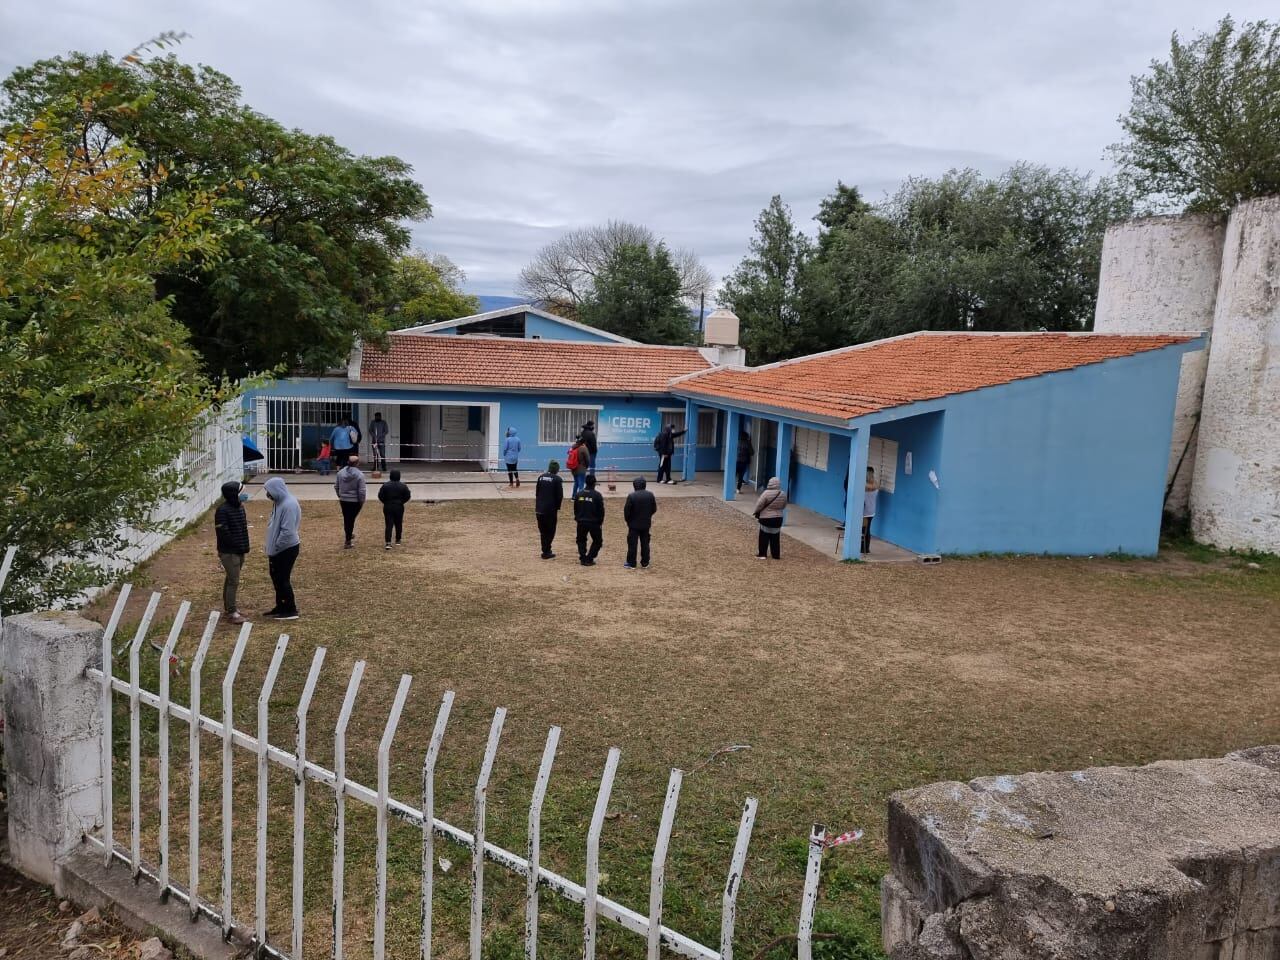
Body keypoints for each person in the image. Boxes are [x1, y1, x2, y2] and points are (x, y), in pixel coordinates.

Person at [263, 477, 301, 620]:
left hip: (285, 549)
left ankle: (290, 609)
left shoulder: (288, 505)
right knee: (276, 578)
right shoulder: (279, 503)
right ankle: (281, 606)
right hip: (277, 549)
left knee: (282, 578)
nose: (268, 495)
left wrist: (277, 546)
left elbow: (287, 531)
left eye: (269, 491)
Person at [213, 481, 250, 624]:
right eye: (241, 493)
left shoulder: (240, 507)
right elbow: (223, 533)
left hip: (240, 550)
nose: (244, 495)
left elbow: (242, 529)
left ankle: (230, 608)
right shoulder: (222, 510)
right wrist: (236, 546)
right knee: (233, 581)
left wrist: (244, 547)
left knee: (230, 579)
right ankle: (232, 612)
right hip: (230, 552)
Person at [623, 476, 657, 568]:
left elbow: (627, 511)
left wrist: (628, 521)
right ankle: (645, 562)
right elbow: (654, 509)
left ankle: (631, 563)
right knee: (645, 544)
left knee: (632, 544)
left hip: (633, 524)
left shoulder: (631, 496)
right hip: (646, 523)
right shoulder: (650, 495)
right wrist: (647, 516)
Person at [334, 454, 367, 549]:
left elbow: (336, 486)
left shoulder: (340, 473)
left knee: (347, 518)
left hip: (344, 500)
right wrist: (362, 501)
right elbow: (361, 490)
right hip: (355, 500)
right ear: (357, 463)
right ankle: (348, 540)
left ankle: (349, 533)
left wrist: (340, 495)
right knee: (350, 519)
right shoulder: (360, 475)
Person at [534, 460, 565, 559]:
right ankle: (546, 551)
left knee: (543, 531)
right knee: (550, 531)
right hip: (550, 510)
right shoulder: (557, 479)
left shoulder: (541, 477)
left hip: (539, 509)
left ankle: (545, 550)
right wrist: (557, 507)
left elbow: (537, 492)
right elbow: (559, 496)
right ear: (556, 470)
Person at [573, 473, 605, 565]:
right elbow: (601, 510)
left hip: (581, 521)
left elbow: (575, 508)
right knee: (598, 541)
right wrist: (600, 521)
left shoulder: (579, 494)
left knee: (581, 540)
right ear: (594, 483)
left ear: (586, 483)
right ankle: (590, 558)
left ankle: (583, 557)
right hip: (594, 522)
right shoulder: (597, 495)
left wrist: (577, 518)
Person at [753, 476, 788, 560]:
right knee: (775, 537)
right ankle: (776, 555)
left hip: (766, 517)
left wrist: (756, 511)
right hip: (778, 518)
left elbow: (759, 504)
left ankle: (762, 554)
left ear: (770, 484)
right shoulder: (783, 494)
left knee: (764, 535)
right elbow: (784, 505)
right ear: (778, 484)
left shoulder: (766, 493)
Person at [378, 468, 411, 549]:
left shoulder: (385, 485)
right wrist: (401, 502)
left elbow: (380, 496)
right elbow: (408, 496)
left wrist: (385, 502)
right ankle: (398, 539)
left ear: (390, 476)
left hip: (388, 506)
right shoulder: (403, 486)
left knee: (389, 524)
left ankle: (388, 542)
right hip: (399, 506)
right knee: (398, 523)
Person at [862, 466, 878, 555]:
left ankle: (864, 548)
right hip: (871, 511)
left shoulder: (864, 485)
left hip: (864, 511)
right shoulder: (875, 484)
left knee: (864, 530)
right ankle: (866, 548)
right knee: (867, 530)